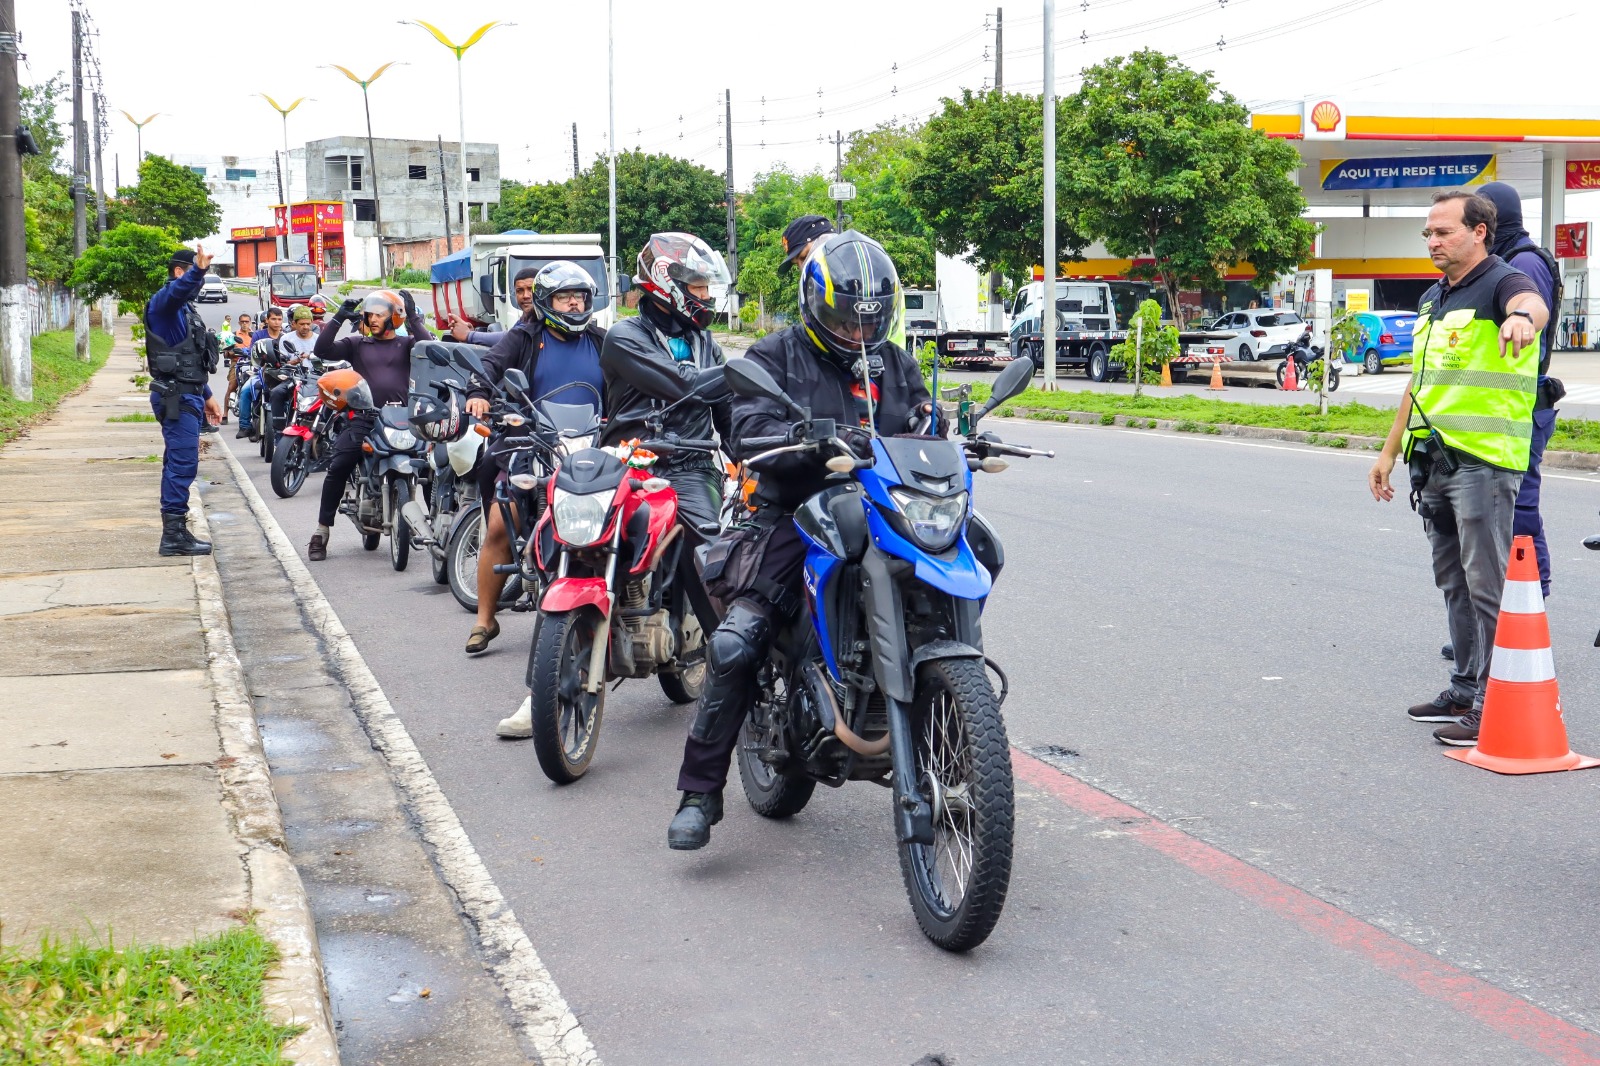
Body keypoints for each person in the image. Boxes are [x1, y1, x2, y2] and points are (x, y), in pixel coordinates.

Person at [667, 230, 944, 850]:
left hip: (887, 512)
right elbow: (749, 429)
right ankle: (699, 792)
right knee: (739, 641)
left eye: (867, 321)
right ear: (815, 307)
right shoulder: (777, 354)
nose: (856, 334)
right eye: (844, 320)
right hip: (796, 511)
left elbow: (923, 420)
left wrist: (940, 428)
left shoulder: (894, 362)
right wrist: (800, 439)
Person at [1367, 190, 1549, 747]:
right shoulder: (1432, 298)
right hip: (1435, 462)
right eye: (1428, 233)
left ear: (1479, 233)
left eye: (1442, 232)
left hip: (1484, 462)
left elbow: (1532, 305)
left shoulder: (1504, 280)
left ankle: (1495, 701)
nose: (1433, 241)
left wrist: (1521, 320)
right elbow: (1418, 382)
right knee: (1452, 582)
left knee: (1484, 582)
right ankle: (1465, 688)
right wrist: (1389, 450)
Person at [460, 261, 608, 667]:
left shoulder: (601, 340)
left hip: (592, 446)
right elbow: (489, 368)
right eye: (565, 296)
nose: (575, 303)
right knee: (498, 522)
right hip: (534, 441)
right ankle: (485, 619)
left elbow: (633, 380)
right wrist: (479, 394)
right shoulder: (525, 336)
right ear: (546, 301)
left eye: (580, 296)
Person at [599, 232, 733, 539]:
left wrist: (755, 454)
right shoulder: (624, 337)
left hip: (691, 468)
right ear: (666, 283)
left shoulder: (706, 343)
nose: (706, 295)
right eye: (698, 286)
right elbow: (685, 385)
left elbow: (729, 414)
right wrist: (748, 368)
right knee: (577, 539)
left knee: (710, 557)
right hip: (629, 463)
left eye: (706, 287)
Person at [307, 289, 430, 561]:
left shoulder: (408, 344)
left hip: (404, 419)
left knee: (430, 466)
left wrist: (413, 318)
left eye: (379, 314)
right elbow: (322, 349)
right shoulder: (356, 343)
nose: (372, 319)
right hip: (365, 418)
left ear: (394, 318)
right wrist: (338, 317)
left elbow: (430, 350)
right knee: (338, 466)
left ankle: (438, 532)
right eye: (369, 314)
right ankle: (321, 531)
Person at [144, 245, 223, 556]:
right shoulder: (165, 304)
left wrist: (208, 396)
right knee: (182, 465)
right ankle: (173, 535)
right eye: (192, 273)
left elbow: (187, 359)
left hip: (188, 393)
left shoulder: (186, 312)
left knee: (178, 464)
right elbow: (178, 291)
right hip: (175, 397)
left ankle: (176, 531)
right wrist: (198, 271)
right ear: (180, 272)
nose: (200, 283)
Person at [448, 266, 540, 345]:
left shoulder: (544, 317)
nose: (525, 296)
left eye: (531, 289)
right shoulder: (525, 319)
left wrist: (469, 335)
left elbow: (514, 337)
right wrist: (472, 333)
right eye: (520, 291)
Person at [236, 307, 285, 439]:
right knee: (245, 391)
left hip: (280, 374)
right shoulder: (258, 335)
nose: (276, 322)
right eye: (273, 319)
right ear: (267, 320)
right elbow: (252, 351)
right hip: (260, 373)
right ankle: (245, 426)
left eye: (279, 319)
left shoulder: (285, 337)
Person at [221, 311, 253, 426]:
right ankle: (225, 414)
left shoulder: (254, 335)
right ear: (239, 323)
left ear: (250, 323)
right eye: (242, 322)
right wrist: (231, 352)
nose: (245, 324)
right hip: (237, 363)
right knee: (232, 386)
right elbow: (226, 352)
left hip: (251, 363)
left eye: (247, 322)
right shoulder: (234, 335)